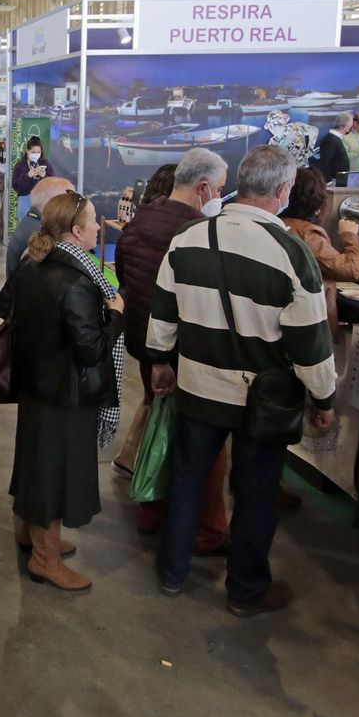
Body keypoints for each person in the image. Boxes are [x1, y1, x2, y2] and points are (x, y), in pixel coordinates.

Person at [147, 144, 338, 617]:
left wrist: (160, 363)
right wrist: (324, 397)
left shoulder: (189, 238)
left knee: (188, 480)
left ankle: (172, 571)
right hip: (263, 401)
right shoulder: (292, 252)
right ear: (283, 190)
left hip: (198, 385)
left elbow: (163, 313)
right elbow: (310, 342)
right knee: (255, 495)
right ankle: (245, 590)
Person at [0, 192, 125, 591]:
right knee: (54, 476)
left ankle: (32, 536)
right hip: (65, 395)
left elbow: (4, 306)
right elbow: (92, 350)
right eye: (93, 222)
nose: (99, 228)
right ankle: (45, 560)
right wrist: (116, 316)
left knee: (35, 466)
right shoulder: (77, 283)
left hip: (35, 385)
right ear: (75, 231)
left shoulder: (32, 263)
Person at [114, 151, 231, 552]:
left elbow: (127, 280)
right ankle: (204, 530)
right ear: (202, 189)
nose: (220, 196)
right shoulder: (198, 233)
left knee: (157, 425)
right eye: (218, 189)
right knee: (203, 446)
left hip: (146, 347)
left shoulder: (139, 220)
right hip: (183, 353)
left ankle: (151, 507)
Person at [279, 167, 359, 334]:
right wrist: (350, 236)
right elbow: (350, 269)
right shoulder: (308, 233)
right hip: (311, 321)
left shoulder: (276, 223)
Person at [5, 176, 75, 285]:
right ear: (53, 202)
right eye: (70, 200)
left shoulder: (31, 223)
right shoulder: (43, 235)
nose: (73, 206)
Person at [10, 136, 49, 221]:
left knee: (41, 228)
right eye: (33, 152)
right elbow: (16, 186)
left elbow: (53, 182)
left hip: (42, 200)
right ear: (27, 151)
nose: (36, 154)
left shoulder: (45, 163)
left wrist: (44, 176)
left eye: (38, 152)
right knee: (24, 226)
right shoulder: (20, 165)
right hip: (25, 200)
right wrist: (27, 176)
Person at [310, 112, 352, 184]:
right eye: (350, 126)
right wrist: (328, 180)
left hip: (338, 179)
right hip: (333, 181)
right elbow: (324, 161)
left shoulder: (335, 139)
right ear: (345, 127)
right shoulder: (330, 139)